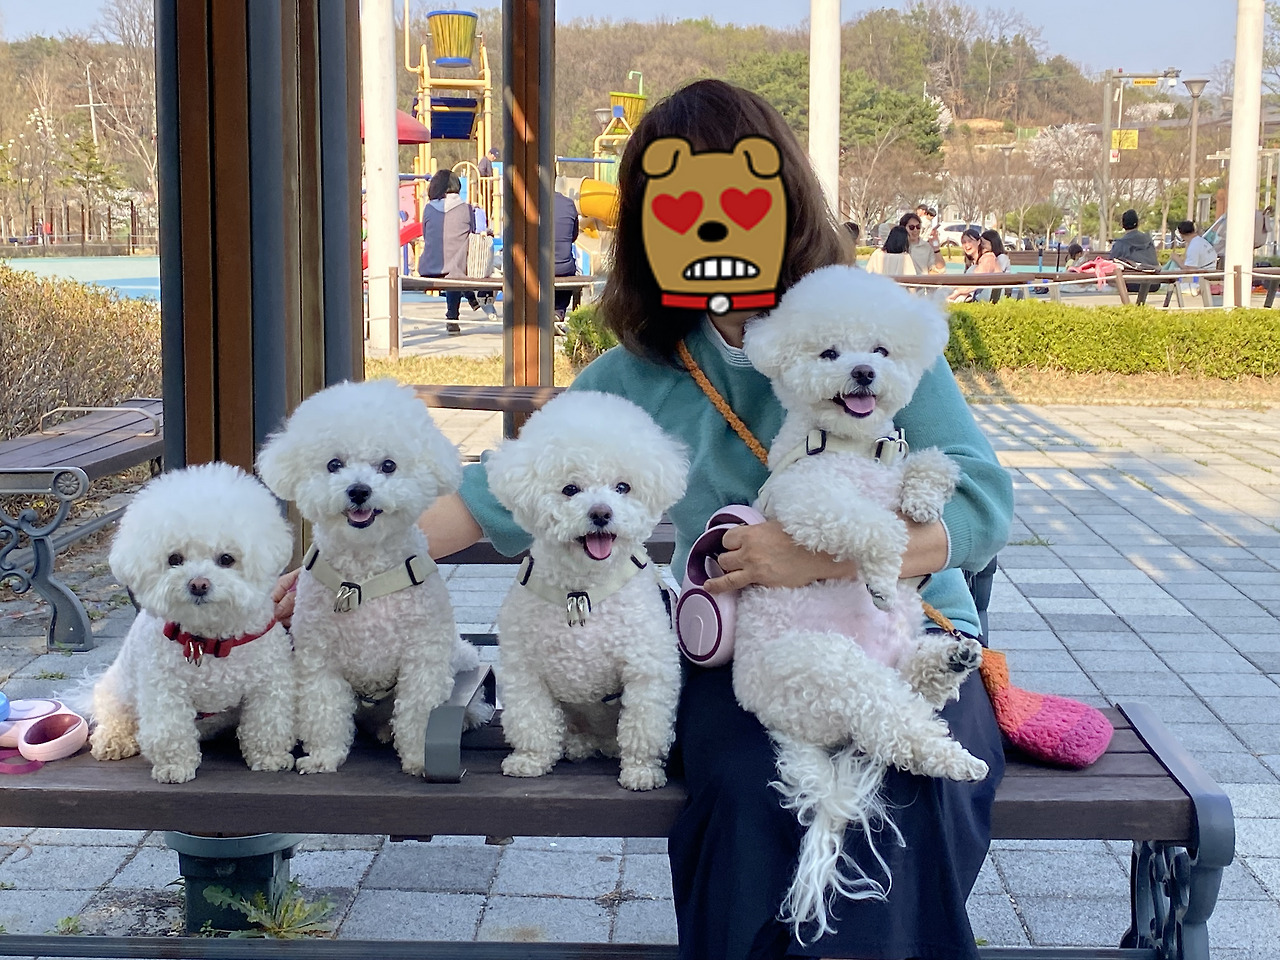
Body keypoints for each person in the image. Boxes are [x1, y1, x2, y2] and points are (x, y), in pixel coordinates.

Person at [276, 78, 1011, 960]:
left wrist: (812, 557)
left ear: (783, 202)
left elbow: (982, 502)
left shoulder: (869, 332)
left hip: (909, 637)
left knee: (908, 782)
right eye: (679, 210)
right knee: (746, 790)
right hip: (743, 653)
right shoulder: (641, 370)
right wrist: (333, 569)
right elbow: (481, 500)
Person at [418, 169, 490, 335]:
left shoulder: (428, 209)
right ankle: (456, 313)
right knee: (456, 269)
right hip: (457, 268)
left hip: (430, 265)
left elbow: (425, 235)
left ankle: (462, 306)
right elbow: (472, 233)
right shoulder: (466, 209)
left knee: (452, 270)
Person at [947, 227, 1000, 302]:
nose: (966, 245)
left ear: (978, 242)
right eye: (964, 242)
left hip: (991, 300)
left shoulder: (988, 257)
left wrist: (956, 293)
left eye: (970, 241)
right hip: (978, 297)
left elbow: (977, 280)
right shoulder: (972, 262)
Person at [554, 189, 581, 321]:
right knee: (568, 267)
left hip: (536, 268)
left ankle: (537, 312)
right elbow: (573, 236)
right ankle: (558, 311)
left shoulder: (530, 203)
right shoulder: (569, 204)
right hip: (564, 267)